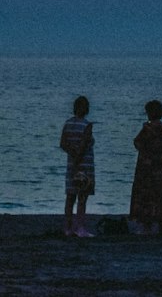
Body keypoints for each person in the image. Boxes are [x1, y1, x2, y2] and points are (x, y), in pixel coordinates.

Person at [130, 99, 162, 235]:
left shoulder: (148, 128)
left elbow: (137, 143)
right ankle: (161, 226)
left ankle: (146, 226)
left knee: (146, 196)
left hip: (147, 169)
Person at [59, 95, 95, 236]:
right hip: (84, 166)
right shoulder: (87, 125)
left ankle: (67, 228)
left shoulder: (68, 124)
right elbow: (84, 145)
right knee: (82, 197)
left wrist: (72, 154)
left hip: (71, 166)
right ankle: (79, 227)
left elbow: (63, 143)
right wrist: (77, 159)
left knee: (70, 197)